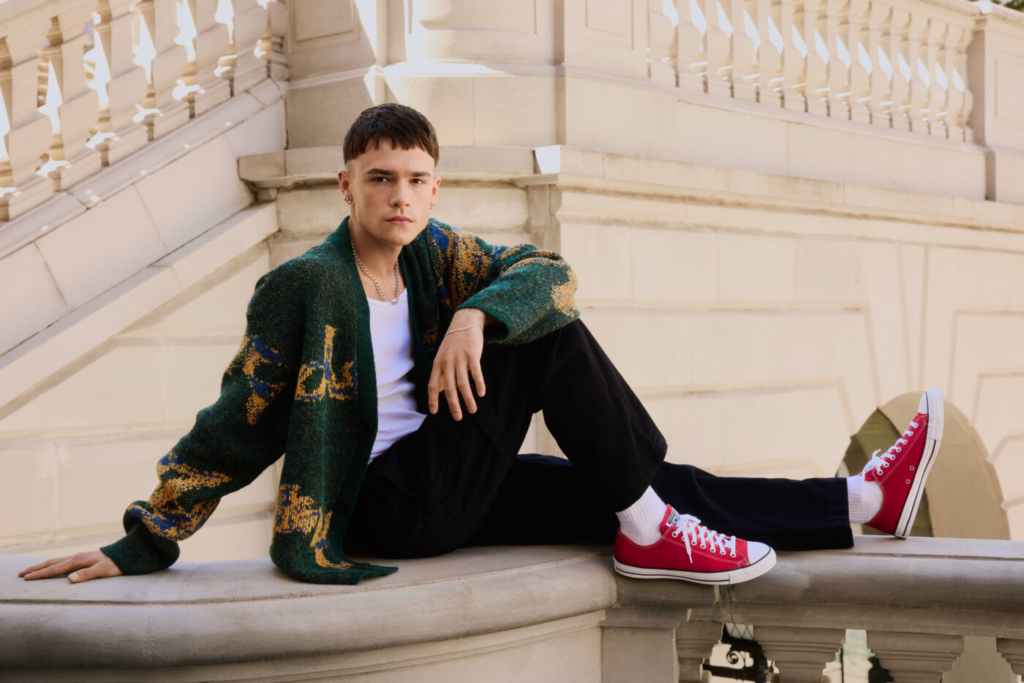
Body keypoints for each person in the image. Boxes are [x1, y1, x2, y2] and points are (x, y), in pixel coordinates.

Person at [18, 104, 943, 587]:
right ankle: (653, 529)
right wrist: (144, 537)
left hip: (453, 474)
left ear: (434, 182)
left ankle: (861, 503)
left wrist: (473, 314)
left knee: (629, 483)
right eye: (381, 180)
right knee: (548, 347)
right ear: (346, 184)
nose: (401, 199)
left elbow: (552, 269)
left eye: (417, 180)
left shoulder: (443, 254)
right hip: (383, 506)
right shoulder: (304, 286)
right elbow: (237, 420)